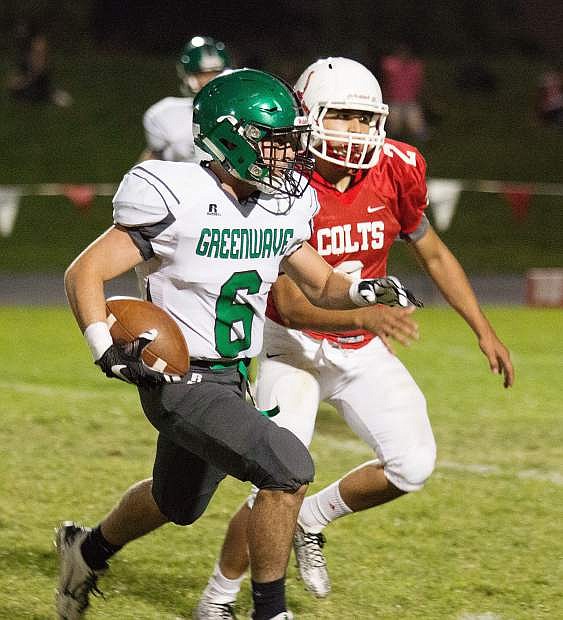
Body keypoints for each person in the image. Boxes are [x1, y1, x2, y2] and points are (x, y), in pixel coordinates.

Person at [56, 67, 418, 620]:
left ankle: (87, 551)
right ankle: (269, 611)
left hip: (232, 375)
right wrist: (103, 345)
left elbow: (320, 282)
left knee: (175, 502)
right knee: (287, 468)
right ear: (230, 139)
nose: (288, 158)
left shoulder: (282, 206)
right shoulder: (176, 194)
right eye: (275, 144)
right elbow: (85, 271)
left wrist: (366, 291)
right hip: (177, 376)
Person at [195, 57, 515, 617]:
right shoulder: (279, 178)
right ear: (308, 115)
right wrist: (366, 317)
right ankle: (218, 597)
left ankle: (312, 521)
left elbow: (432, 250)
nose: (356, 131)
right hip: (289, 344)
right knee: (276, 480)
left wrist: (484, 329)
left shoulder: (399, 167)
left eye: (365, 119)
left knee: (412, 464)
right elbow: (293, 304)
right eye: (341, 117)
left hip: (357, 340)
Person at [139, 35, 231, 163]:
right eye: (204, 75)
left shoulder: (242, 113)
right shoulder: (165, 114)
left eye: (216, 74)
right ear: (189, 77)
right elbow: (152, 159)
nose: (211, 81)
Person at [380, 44, 427, 142]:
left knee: (416, 124)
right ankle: (393, 142)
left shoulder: (414, 66)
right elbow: (385, 79)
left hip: (410, 100)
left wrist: (420, 96)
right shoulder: (391, 65)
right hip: (394, 100)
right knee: (394, 125)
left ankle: (425, 144)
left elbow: (419, 83)